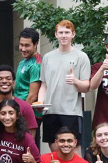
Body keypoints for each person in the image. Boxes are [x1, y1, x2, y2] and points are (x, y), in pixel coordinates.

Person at [39, 20, 92, 151]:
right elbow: (44, 85)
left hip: (72, 112)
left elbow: (86, 86)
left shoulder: (82, 56)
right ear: (56, 35)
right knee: (54, 150)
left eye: (67, 32)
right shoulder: (47, 57)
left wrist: (75, 81)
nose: (64, 35)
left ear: (73, 34)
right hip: (50, 111)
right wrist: (40, 102)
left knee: (74, 151)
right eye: (61, 32)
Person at [0, 65, 38, 138]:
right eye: (0, 79)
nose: (4, 81)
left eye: (8, 78)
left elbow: (31, 136)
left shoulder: (25, 107)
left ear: (14, 83)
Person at [15, 28, 43, 145]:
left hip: (29, 114)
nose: (23, 49)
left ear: (36, 44)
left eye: (27, 45)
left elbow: (32, 95)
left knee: (29, 148)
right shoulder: (23, 62)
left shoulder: (36, 64)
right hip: (19, 109)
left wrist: (20, 114)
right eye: (21, 45)